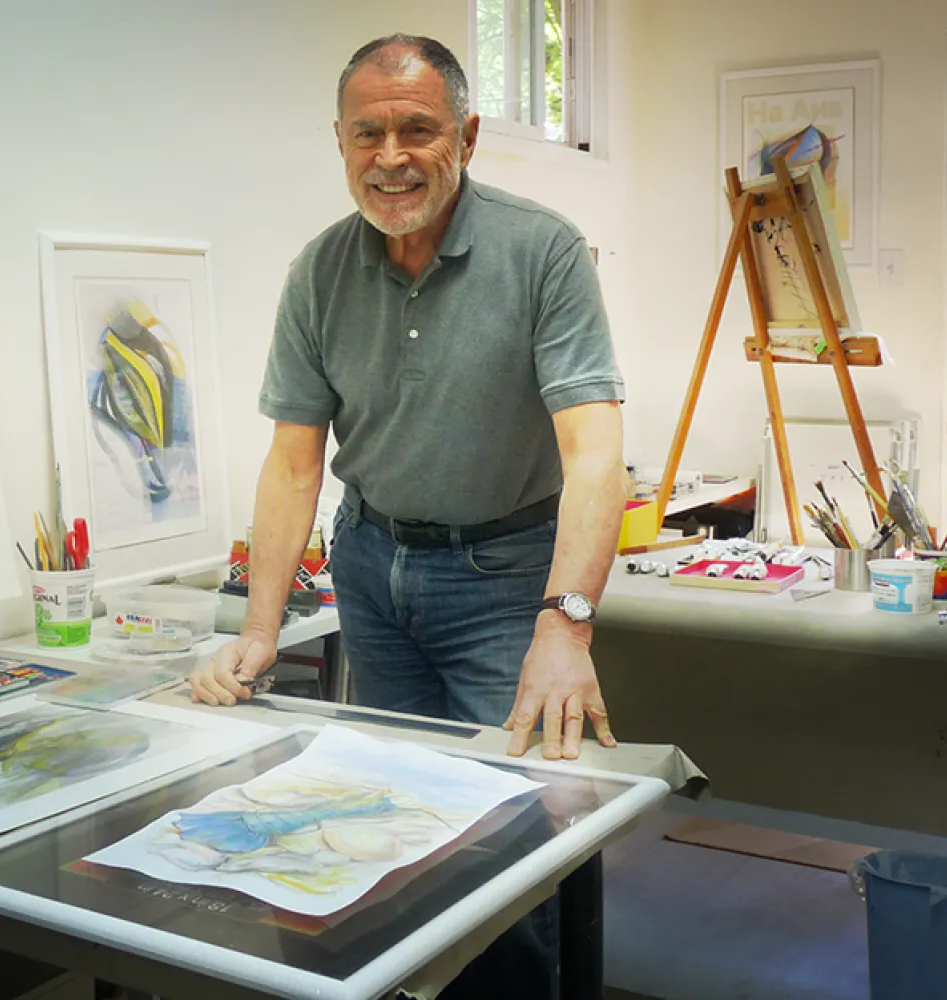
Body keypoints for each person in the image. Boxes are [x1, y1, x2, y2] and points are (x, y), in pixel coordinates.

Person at [189, 34, 625, 995]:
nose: (391, 156)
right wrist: (260, 631)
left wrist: (568, 623)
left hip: (508, 580)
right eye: (368, 133)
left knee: (523, 839)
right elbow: (294, 462)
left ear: (466, 136)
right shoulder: (318, 271)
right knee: (394, 826)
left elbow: (594, 450)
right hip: (372, 566)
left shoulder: (541, 250)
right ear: (340, 143)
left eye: (418, 129)